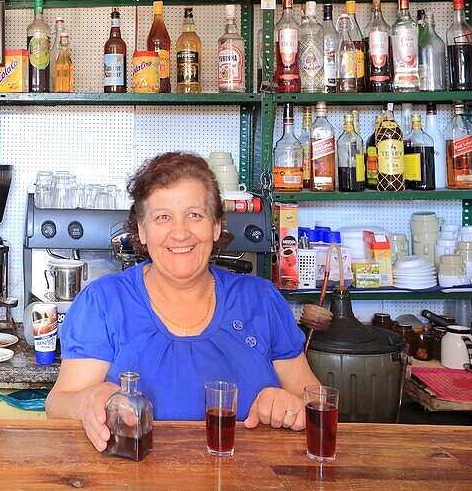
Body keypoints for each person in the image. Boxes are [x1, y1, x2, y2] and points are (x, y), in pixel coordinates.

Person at [46, 152, 319, 451]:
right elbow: (59, 402)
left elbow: (315, 401)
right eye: (163, 217)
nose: (180, 233)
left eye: (194, 215)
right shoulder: (104, 302)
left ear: (216, 226)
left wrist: (288, 406)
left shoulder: (261, 300)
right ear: (141, 229)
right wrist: (89, 401)